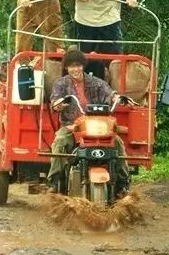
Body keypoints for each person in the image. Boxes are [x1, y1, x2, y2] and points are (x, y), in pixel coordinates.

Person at [47, 49, 129, 194]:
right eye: (71, 66)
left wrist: (116, 98)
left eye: (78, 65)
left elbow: (109, 92)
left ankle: (123, 184)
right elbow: (55, 101)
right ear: (66, 67)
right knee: (59, 142)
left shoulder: (96, 82)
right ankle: (54, 182)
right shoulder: (61, 84)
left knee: (118, 143)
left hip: (97, 126)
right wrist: (59, 104)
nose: (75, 69)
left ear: (83, 66)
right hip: (72, 126)